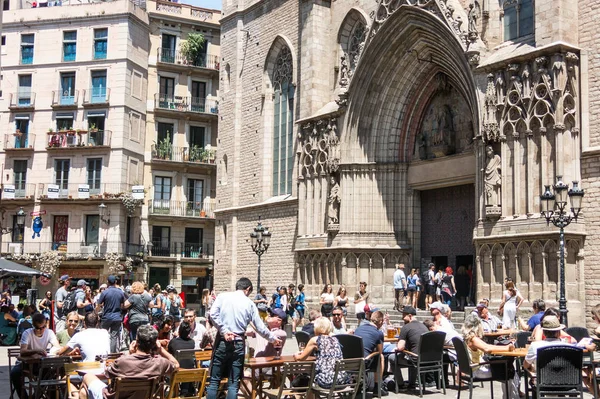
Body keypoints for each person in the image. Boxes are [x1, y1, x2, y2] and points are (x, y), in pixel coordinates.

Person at [207, 277, 282, 399]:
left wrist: (224, 330)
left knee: (214, 381)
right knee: (233, 383)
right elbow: (260, 327)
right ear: (247, 289)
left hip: (222, 340)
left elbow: (212, 314)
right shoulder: (249, 303)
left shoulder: (222, 297)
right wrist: (273, 338)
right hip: (238, 343)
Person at [79, 324, 179, 399]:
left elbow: (106, 374)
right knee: (84, 392)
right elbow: (176, 365)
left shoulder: (122, 361)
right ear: (154, 344)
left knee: (87, 377)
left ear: (136, 342)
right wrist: (161, 350)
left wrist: (130, 354)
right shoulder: (159, 363)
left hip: (110, 396)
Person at [461, 315, 519, 399]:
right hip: (477, 371)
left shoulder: (465, 338)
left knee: (507, 369)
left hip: (472, 370)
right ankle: (511, 397)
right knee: (509, 370)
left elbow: (486, 346)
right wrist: (506, 347)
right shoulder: (473, 339)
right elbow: (487, 348)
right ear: (477, 326)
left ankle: (508, 396)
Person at [11, 313, 61, 399]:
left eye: (43, 327)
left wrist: (56, 350)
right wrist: (37, 351)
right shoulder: (27, 333)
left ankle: (36, 397)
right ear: (33, 326)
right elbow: (23, 351)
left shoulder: (49, 332)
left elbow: (57, 346)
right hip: (25, 363)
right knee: (14, 374)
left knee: (51, 374)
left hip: (40, 363)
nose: (42, 330)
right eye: (38, 328)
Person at [293, 317, 349, 388]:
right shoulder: (335, 339)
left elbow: (300, 358)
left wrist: (296, 355)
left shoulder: (315, 340)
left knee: (306, 379)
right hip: (341, 380)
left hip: (326, 381)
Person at [388, 306, 428, 389]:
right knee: (412, 353)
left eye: (404, 315)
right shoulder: (424, 327)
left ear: (410, 316)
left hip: (415, 359)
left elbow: (399, 347)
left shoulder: (406, 327)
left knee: (392, 358)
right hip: (427, 359)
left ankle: (400, 384)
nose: (402, 318)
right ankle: (412, 383)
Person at [354, 310, 385, 393]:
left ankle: (356, 383)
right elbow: (380, 351)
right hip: (365, 362)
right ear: (381, 321)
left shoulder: (358, 329)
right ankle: (377, 387)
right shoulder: (378, 333)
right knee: (380, 357)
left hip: (352, 361)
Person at [97, 275, 125, 353]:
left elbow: (98, 305)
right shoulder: (120, 292)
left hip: (106, 317)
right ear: (115, 282)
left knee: (103, 335)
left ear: (108, 282)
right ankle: (112, 354)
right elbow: (123, 305)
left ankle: (102, 352)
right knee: (114, 337)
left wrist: (96, 313)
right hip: (117, 317)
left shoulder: (105, 292)